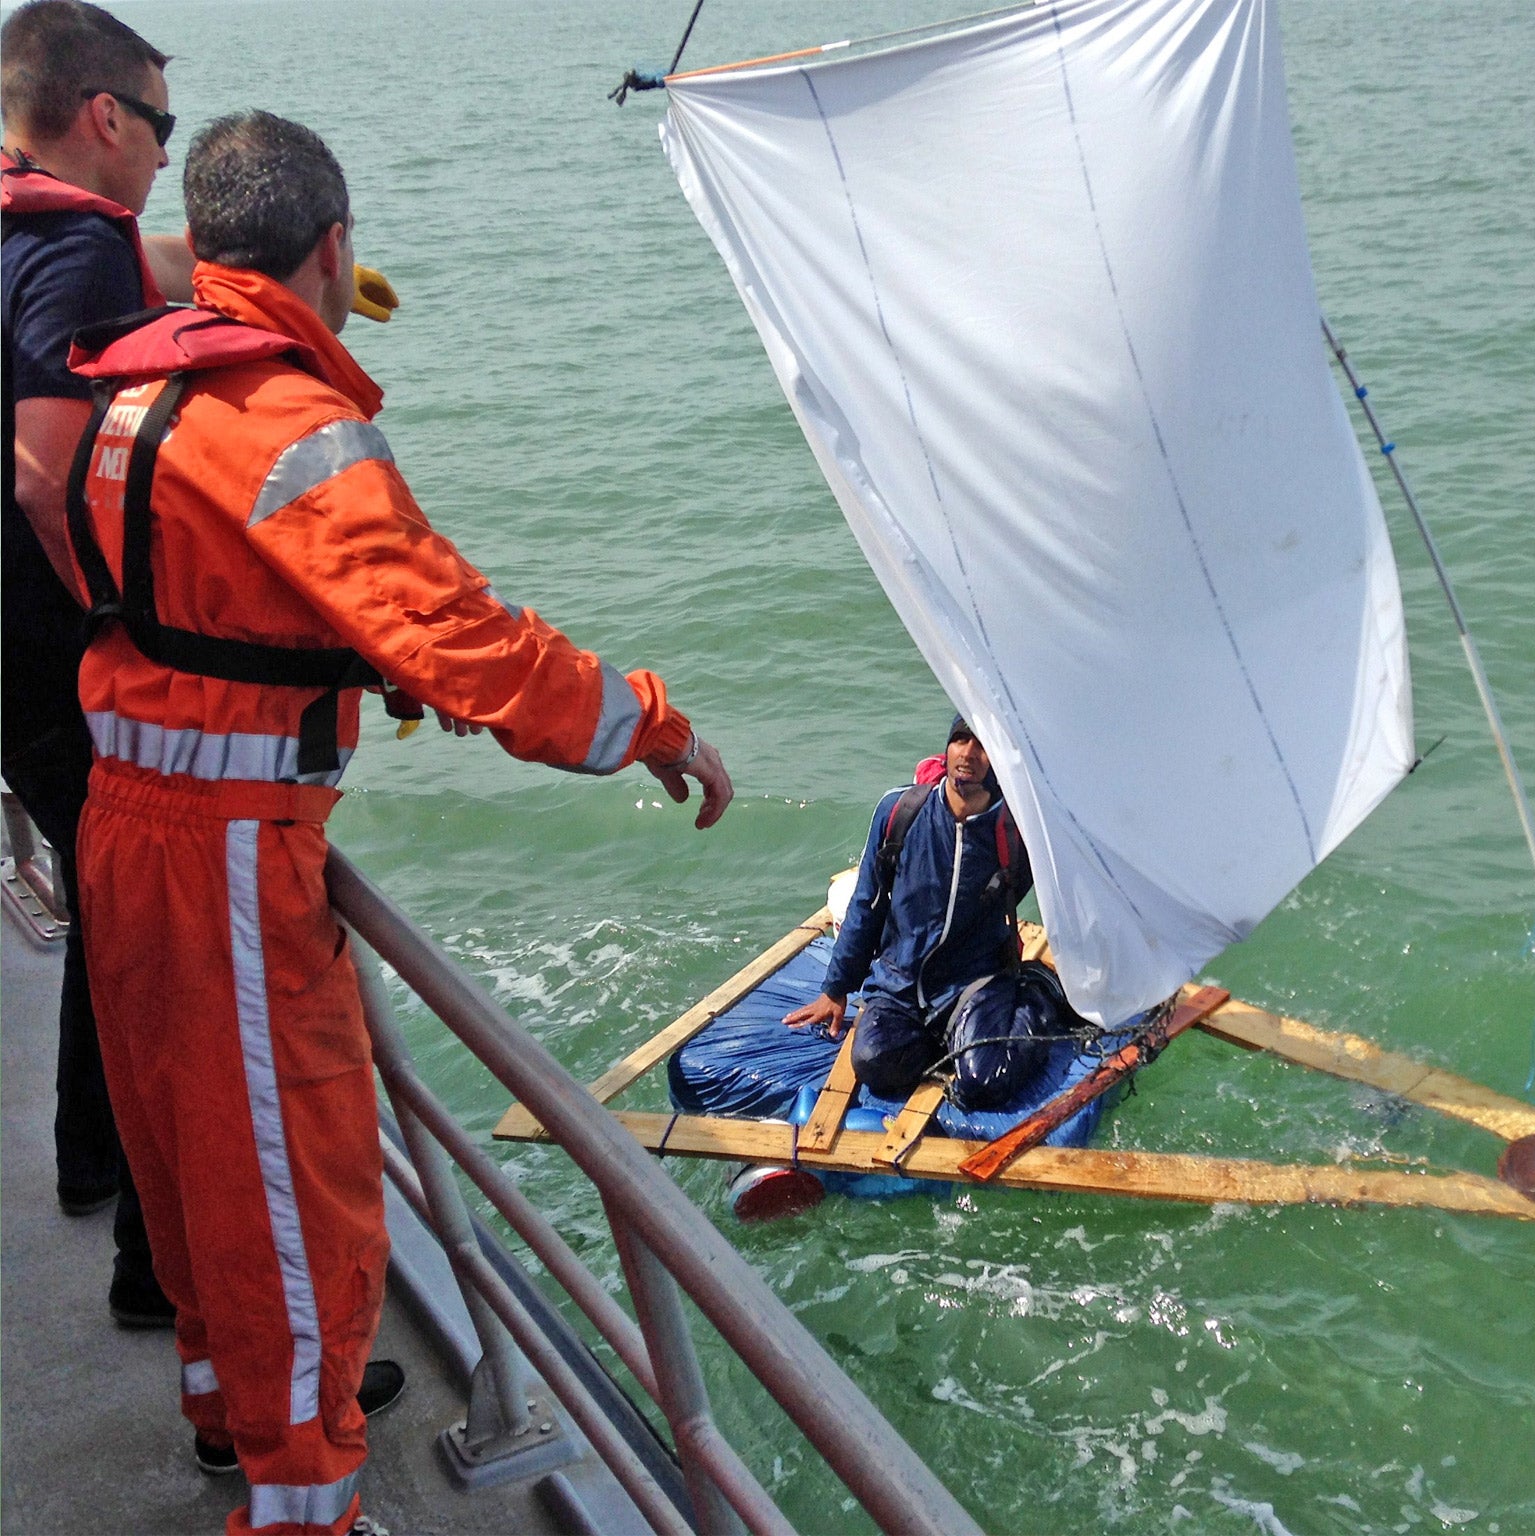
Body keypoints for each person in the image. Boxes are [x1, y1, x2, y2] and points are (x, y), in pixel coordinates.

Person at [65, 109, 733, 1536]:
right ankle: (304, 1509)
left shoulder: (139, 396)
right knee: (290, 1200)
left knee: (184, 1167)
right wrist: (653, 723)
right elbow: (472, 646)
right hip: (231, 850)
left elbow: (180, 597)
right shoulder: (293, 423)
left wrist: (330, 651)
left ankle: (224, 1425)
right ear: (334, 248)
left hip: (121, 820)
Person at [1, 0, 181, 1328]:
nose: (166, 154)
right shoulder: (75, 244)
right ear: (103, 117)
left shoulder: (26, 229)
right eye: (160, 125)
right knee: (132, 930)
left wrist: (241, 272)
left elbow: (123, 270)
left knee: (94, 900)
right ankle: (143, 1253)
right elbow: (45, 471)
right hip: (47, 652)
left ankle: (82, 1160)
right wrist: (114, 609)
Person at [784, 716, 1059, 1110]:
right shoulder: (901, 811)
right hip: (901, 982)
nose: (967, 752)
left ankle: (1036, 996)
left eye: (981, 744)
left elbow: (1068, 888)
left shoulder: (1018, 831)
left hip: (973, 981)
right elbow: (867, 902)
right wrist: (835, 989)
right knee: (874, 1062)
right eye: (960, 740)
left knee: (984, 1082)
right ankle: (952, 1039)